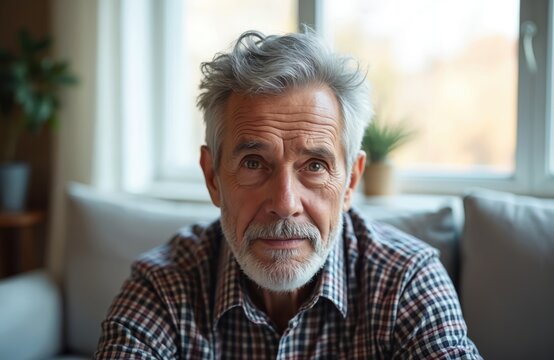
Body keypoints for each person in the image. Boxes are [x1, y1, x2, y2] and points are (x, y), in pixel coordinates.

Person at [95, 30, 481, 359]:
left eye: (314, 166)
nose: (284, 203)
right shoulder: (164, 285)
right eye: (252, 162)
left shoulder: (406, 281)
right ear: (213, 177)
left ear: (349, 183)